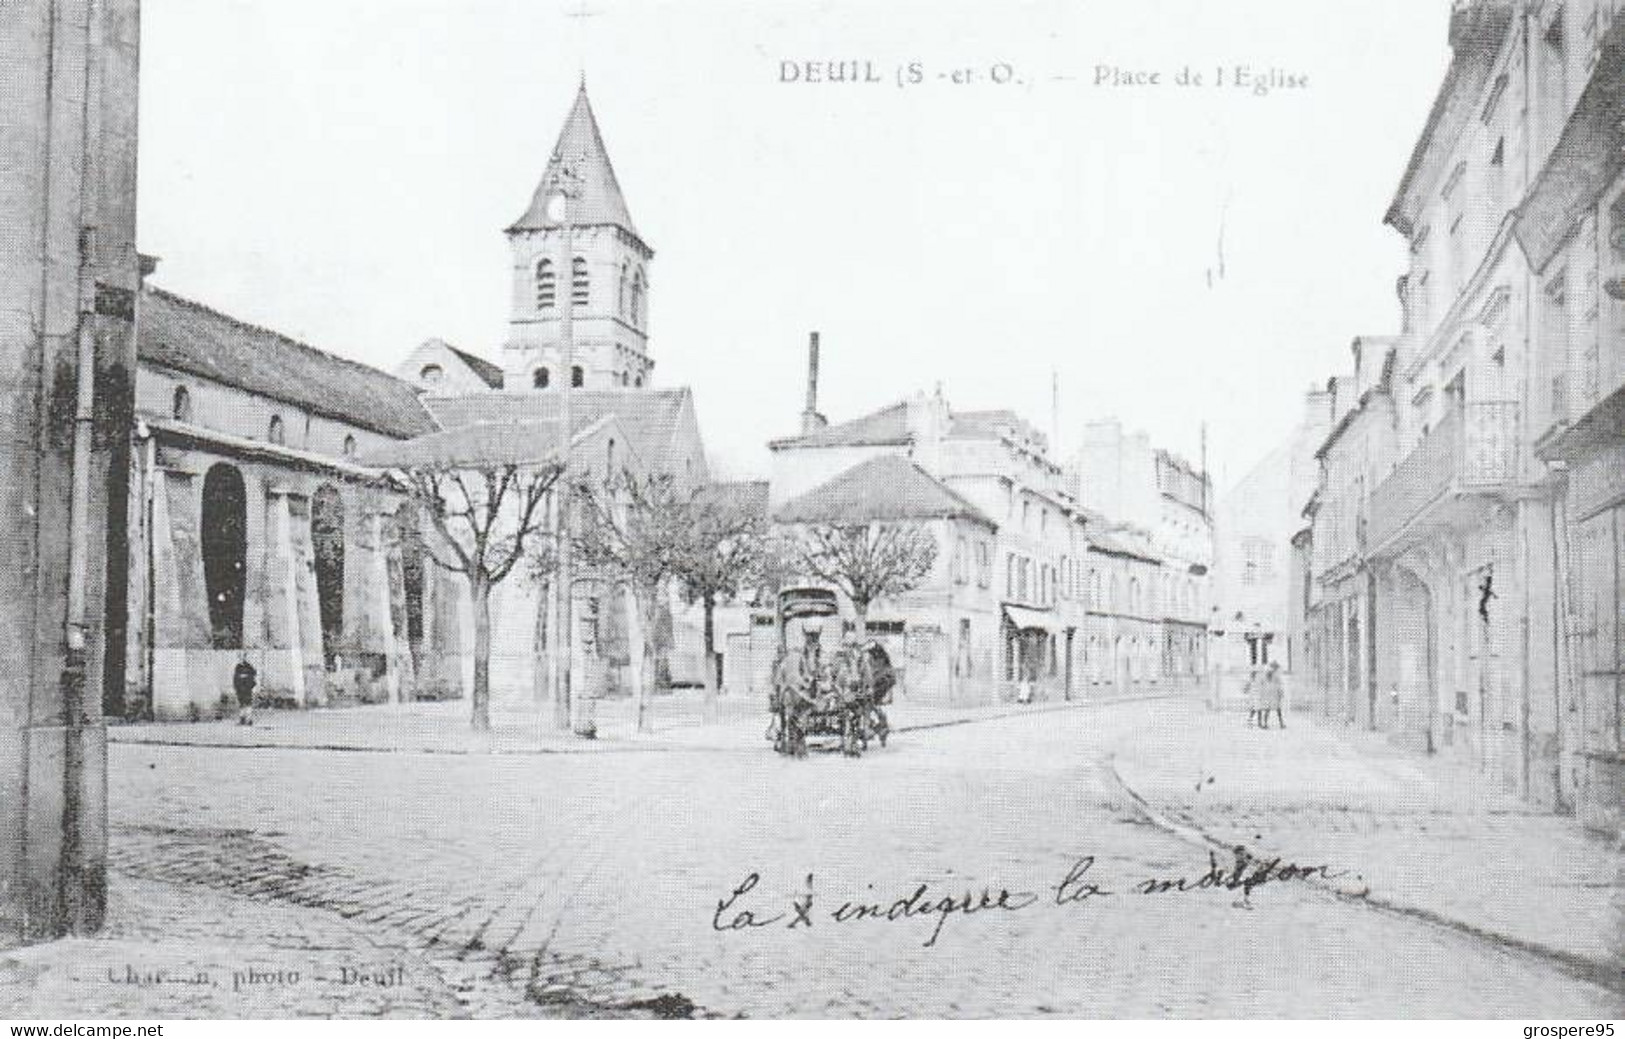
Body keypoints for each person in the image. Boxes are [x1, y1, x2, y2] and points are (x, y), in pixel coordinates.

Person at [1260, 661, 1286, 730]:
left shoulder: (1272, 674)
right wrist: (1281, 693)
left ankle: (1279, 724)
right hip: (1272, 693)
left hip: (1272, 693)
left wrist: (1281, 693)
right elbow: (1279, 685)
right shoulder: (1274, 674)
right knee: (1274, 709)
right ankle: (1280, 724)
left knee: (1273, 709)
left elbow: (1279, 685)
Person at [232, 656, 257, 726]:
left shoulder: (240, 668)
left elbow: (235, 680)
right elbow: (253, 680)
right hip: (245, 690)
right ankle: (246, 719)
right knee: (245, 705)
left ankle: (245, 719)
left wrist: (237, 688)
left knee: (244, 705)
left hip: (243, 690)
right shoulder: (249, 669)